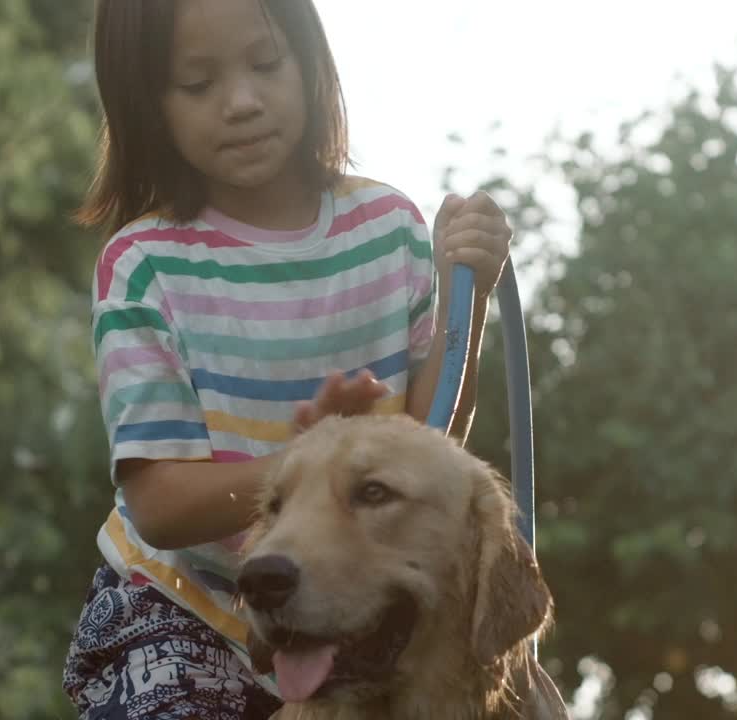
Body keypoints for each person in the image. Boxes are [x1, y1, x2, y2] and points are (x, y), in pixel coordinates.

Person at [61, 1, 513, 718]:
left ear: (310, 63)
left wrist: (471, 293)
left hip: (344, 596)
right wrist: (314, 465)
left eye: (266, 64)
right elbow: (159, 505)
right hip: (183, 609)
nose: (241, 102)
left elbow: (428, 443)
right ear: (148, 104)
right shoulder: (144, 266)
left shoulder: (389, 230)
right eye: (197, 83)